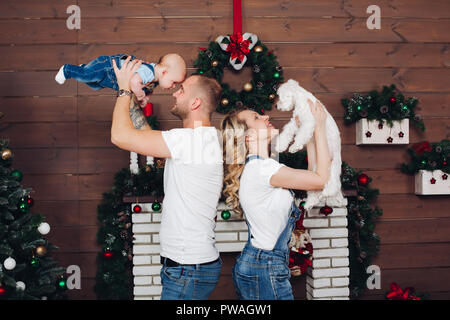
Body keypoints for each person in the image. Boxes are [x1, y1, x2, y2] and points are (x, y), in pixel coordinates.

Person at [110, 56, 223, 299]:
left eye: (181, 90)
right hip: (190, 266)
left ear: (195, 103)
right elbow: (146, 136)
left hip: (187, 268)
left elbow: (120, 136)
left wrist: (122, 90)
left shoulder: (190, 141)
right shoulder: (199, 139)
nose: (173, 93)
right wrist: (133, 98)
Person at [220, 100, 331, 300]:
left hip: (259, 264)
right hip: (265, 266)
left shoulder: (259, 167)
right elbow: (321, 180)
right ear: (249, 137)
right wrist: (320, 127)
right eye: (257, 118)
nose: (266, 116)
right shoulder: (264, 170)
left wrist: (311, 133)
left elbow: (313, 176)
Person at [55, 53, 186, 107]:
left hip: (110, 79)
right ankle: (67, 70)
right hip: (108, 67)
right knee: (87, 76)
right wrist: (140, 96)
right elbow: (135, 82)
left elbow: (146, 91)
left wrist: (144, 98)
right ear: (164, 72)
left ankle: (84, 69)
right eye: (174, 82)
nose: (173, 86)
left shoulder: (155, 80)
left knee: (94, 85)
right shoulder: (149, 73)